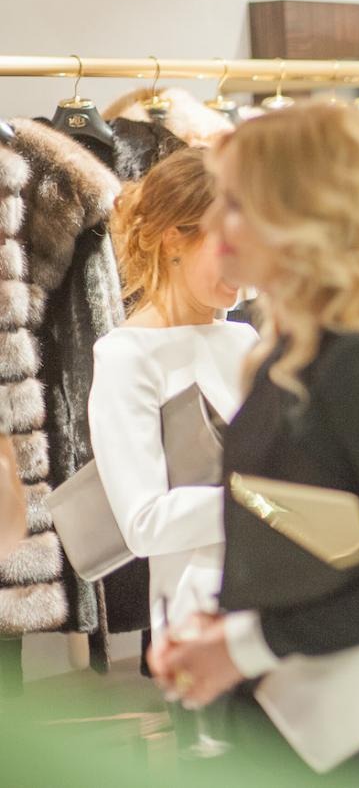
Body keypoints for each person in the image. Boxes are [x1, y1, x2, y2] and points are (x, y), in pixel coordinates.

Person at [149, 103, 359, 784]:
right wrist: (221, 626)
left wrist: (247, 642)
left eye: (237, 203)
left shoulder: (354, 363)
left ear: (299, 217)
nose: (215, 222)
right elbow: (307, 544)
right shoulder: (285, 353)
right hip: (291, 725)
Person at [88, 146, 257, 655]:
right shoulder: (127, 356)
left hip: (279, 605)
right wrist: (263, 500)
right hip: (199, 617)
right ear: (174, 239)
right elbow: (143, 523)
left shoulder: (244, 340)